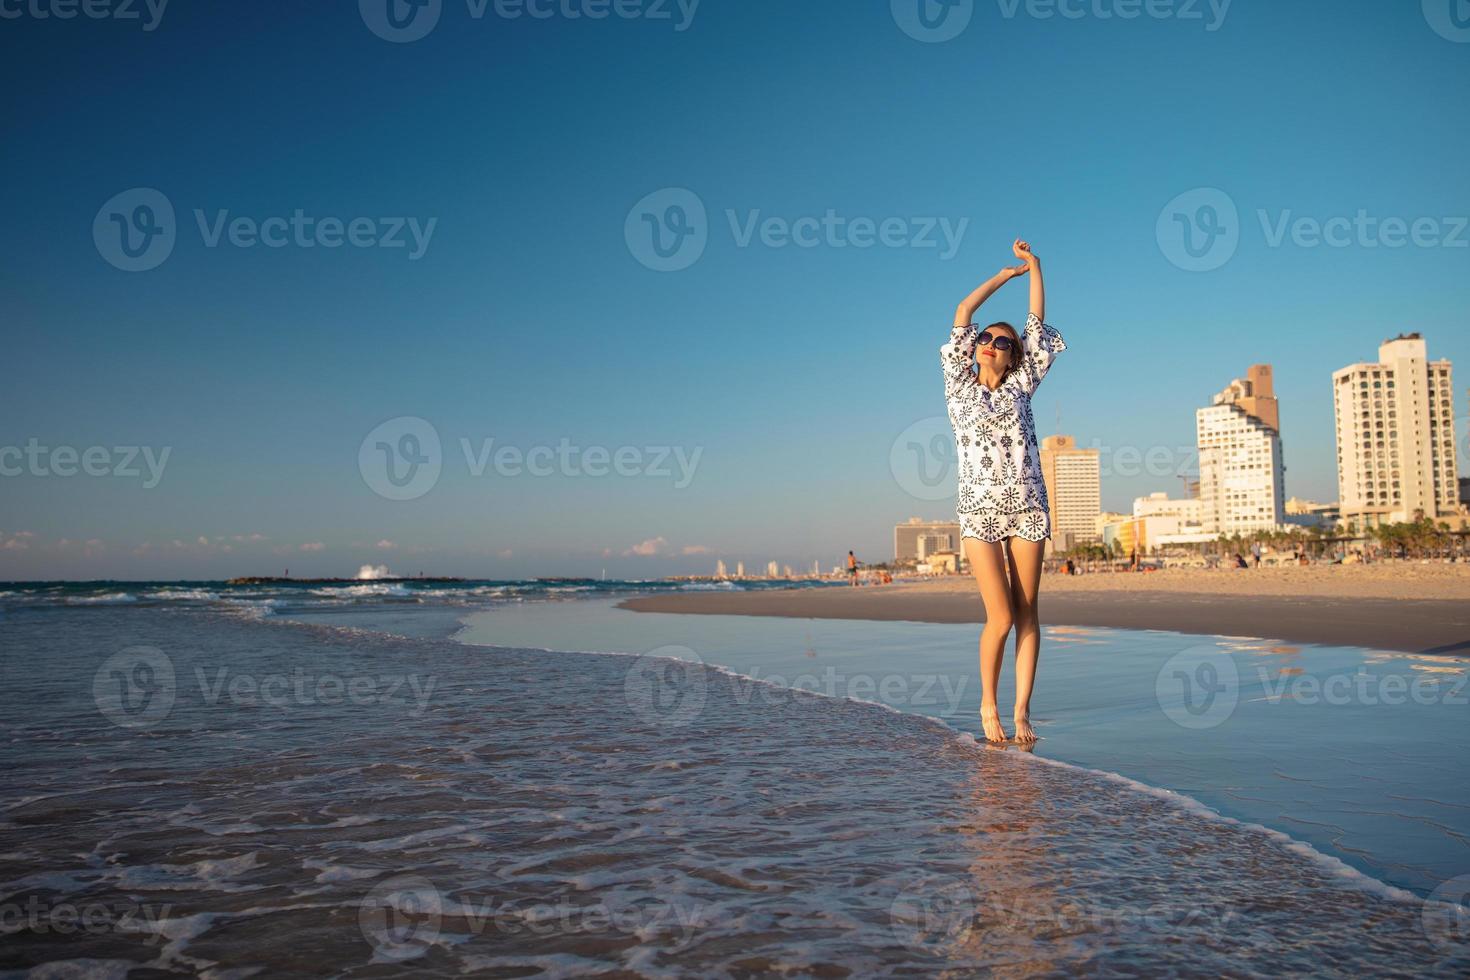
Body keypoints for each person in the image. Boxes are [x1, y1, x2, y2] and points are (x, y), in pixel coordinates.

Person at [941, 238, 1067, 744]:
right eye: (985, 340)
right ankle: (988, 704)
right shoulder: (957, 386)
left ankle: (1020, 712)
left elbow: (1036, 326)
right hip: (979, 514)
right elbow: (963, 310)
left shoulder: (1022, 386)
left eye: (1002, 341)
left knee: (1028, 611)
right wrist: (1005, 276)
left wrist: (1036, 268)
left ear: (1015, 357)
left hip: (1028, 510)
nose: (991, 343)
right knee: (999, 615)